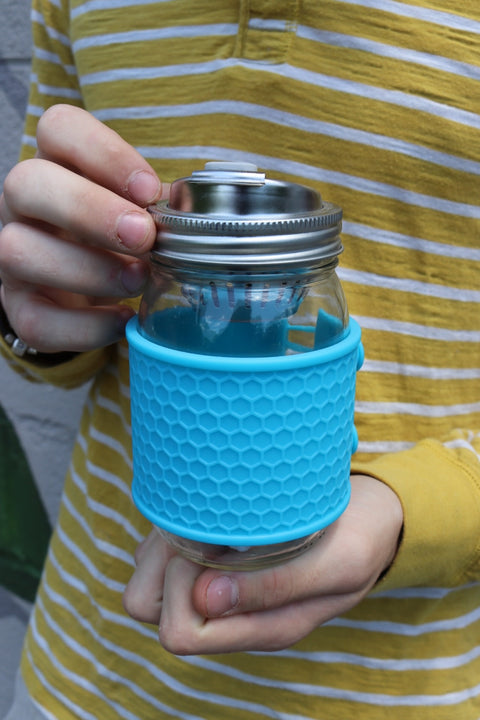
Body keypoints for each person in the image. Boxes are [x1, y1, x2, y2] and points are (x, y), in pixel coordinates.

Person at [0, 0, 479, 718]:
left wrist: (417, 515)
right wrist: (37, 312)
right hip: (84, 670)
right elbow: (60, 299)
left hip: (399, 688)